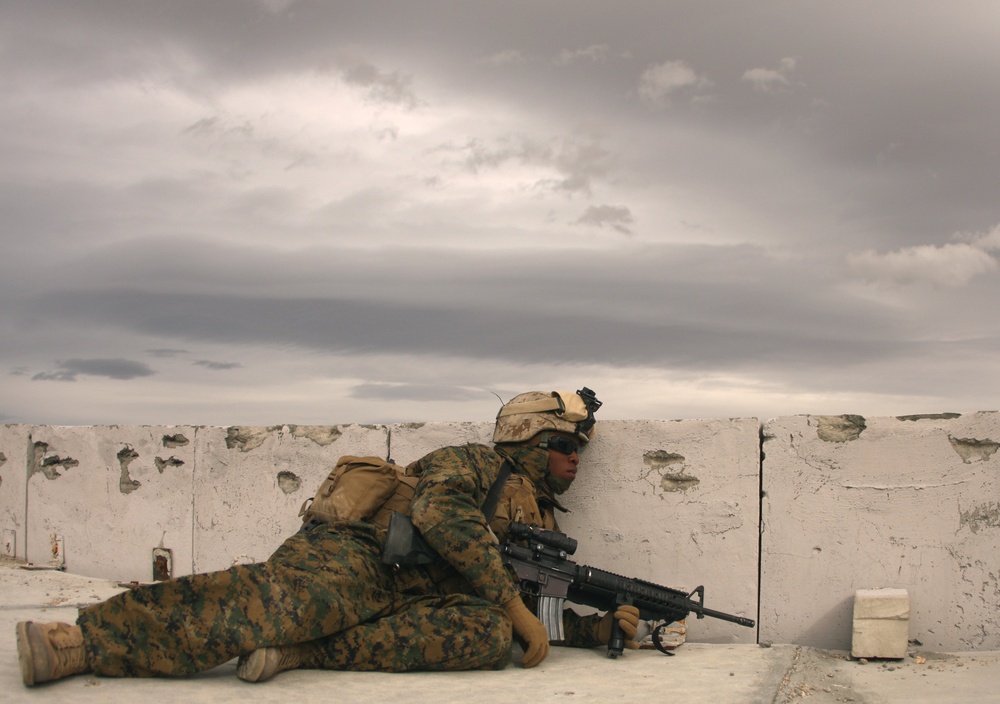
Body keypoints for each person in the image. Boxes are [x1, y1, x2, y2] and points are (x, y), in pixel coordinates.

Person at [16, 387, 640, 686]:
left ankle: (300, 652)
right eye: (563, 444)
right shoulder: (474, 463)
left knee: (485, 635)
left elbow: (531, 614)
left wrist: (592, 628)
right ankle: (84, 640)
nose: (575, 457)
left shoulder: (543, 521)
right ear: (527, 441)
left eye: (578, 447)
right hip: (361, 554)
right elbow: (440, 513)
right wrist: (510, 603)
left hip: (412, 597)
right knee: (280, 603)